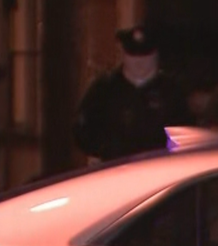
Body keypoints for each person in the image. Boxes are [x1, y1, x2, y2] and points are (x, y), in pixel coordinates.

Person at [72, 26, 193, 162]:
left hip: (159, 169)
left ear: (155, 55)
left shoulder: (171, 91)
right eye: (133, 55)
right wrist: (100, 150)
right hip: (114, 168)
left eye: (145, 56)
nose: (139, 62)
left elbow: (186, 132)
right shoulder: (105, 88)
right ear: (123, 55)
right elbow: (83, 127)